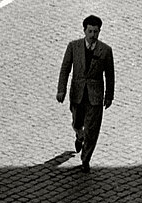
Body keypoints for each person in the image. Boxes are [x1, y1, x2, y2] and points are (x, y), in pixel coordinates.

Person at [56, 14, 115, 172]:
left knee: (92, 130)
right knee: (77, 122)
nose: (93, 35)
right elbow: (65, 69)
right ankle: (78, 135)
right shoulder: (73, 47)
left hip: (95, 97)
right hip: (77, 93)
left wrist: (109, 96)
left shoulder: (105, 51)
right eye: (90, 31)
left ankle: (85, 159)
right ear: (84, 31)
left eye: (96, 32)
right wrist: (61, 89)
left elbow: (110, 75)